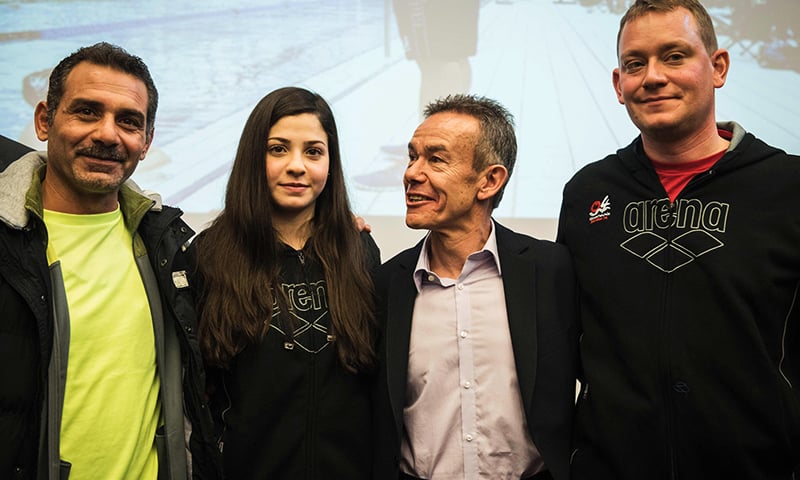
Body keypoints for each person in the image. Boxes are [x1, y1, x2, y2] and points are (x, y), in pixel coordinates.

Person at [557, 0, 800, 478]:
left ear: (718, 67)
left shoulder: (788, 188)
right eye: (635, 63)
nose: (652, 76)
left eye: (674, 56)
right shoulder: (587, 192)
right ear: (618, 85)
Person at [0, 42, 220, 479]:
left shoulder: (168, 247)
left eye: (128, 121)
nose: (107, 134)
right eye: (86, 111)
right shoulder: (8, 242)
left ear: (146, 141)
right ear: (45, 120)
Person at [372, 94, 578, 480]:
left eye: (435, 159)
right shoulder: (386, 285)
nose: (412, 173)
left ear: (489, 180)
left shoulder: (552, 273)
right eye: (412, 156)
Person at [193, 86, 381, 479]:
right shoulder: (207, 255)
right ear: (252, 157)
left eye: (313, 151)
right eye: (278, 149)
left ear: (331, 163)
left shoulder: (360, 251)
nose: (297, 165)